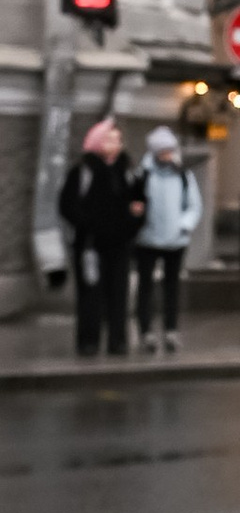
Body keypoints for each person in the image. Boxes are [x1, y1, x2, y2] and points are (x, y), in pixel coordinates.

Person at [58, 115, 143, 361]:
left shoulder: (127, 172)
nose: (114, 145)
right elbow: (67, 205)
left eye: (117, 140)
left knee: (118, 294)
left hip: (120, 244)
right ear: (96, 142)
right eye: (109, 140)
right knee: (90, 295)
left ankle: (118, 341)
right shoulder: (83, 171)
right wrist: (90, 225)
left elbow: (139, 203)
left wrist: (133, 223)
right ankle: (88, 341)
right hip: (90, 245)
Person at [133, 125, 202, 355]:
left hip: (175, 241)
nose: (167, 155)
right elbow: (134, 202)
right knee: (145, 286)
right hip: (147, 240)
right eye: (163, 151)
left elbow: (193, 205)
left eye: (170, 150)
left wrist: (184, 226)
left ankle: (171, 329)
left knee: (172, 287)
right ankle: (145, 332)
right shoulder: (142, 175)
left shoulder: (183, 175)